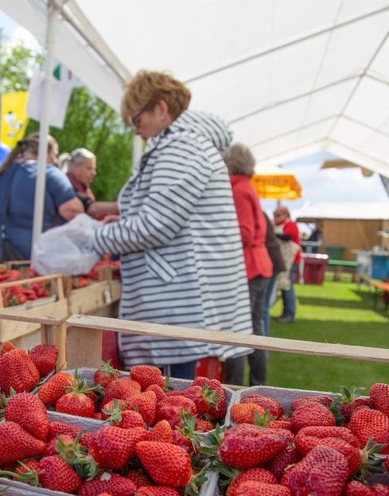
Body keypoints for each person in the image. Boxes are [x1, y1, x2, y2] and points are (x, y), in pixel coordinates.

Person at [88, 70, 252, 380]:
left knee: (171, 400)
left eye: (137, 120)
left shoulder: (181, 147)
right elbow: (166, 211)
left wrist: (94, 238)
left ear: (161, 109)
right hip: (180, 300)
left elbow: (156, 226)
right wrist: (124, 219)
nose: (138, 131)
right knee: (176, 401)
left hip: (177, 306)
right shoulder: (185, 145)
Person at [0, 133, 84, 263]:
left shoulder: (4, 172)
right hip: (30, 255)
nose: (56, 160)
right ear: (46, 152)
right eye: (55, 155)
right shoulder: (49, 173)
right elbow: (72, 210)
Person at [221, 143, 273, 386]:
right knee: (256, 330)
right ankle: (257, 386)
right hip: (260, 265)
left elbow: (245, 233)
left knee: (239, 332)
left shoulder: (239, 189)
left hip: (249, 267)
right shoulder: (247, 187)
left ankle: (235, 386)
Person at [59, 148, 119, 220]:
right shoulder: (66, 186)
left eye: (94, 169)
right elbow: (91, 209)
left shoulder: (83, 187)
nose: (94, 173)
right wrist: (121, 205)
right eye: (89, 168)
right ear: (75, 167)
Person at [273, 206, 301, 323]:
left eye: (278, 215)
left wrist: (272, 234)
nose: (276, 217)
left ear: (286, 215)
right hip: (284, 261)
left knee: (287, 288)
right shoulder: (279, 226)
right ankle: (286, 313)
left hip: (291, 261)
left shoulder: (291, 225)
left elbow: (288, 237)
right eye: (275, 214)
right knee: (284, 287)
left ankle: (289, 314)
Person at [263, 212, 286, 336]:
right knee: (264, 306)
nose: (276, 216)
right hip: (271, 263)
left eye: (278, 214)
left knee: (263, 307)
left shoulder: (259, 215)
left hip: (270, 263)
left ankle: (262, 344)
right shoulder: (262, 215)